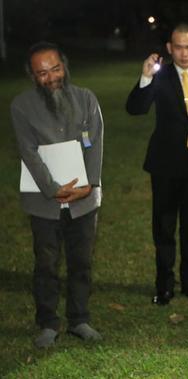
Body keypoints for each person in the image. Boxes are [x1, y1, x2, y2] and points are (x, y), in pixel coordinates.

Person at [10, 42, 104, 348]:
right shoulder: (22, 107)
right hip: (44, 202)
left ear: (64, 65)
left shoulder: (86, 99)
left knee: (81, 262)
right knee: (46, 264)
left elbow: (95, 143)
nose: (51, 77)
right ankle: (48, 323)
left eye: (55, 68)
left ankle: (79, 319)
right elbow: (28, 152)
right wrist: (53, 189)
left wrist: (89, 183)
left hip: (84, 200)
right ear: (32, 75)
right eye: (42, 73)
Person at [126, 23, 188, 305]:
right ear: (170, 48)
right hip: (166, 165)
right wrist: (145, 77)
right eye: (178, 47)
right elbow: (135, 108)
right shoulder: (161, 76)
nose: (184, 53)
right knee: (164, 228)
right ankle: (164, 285)